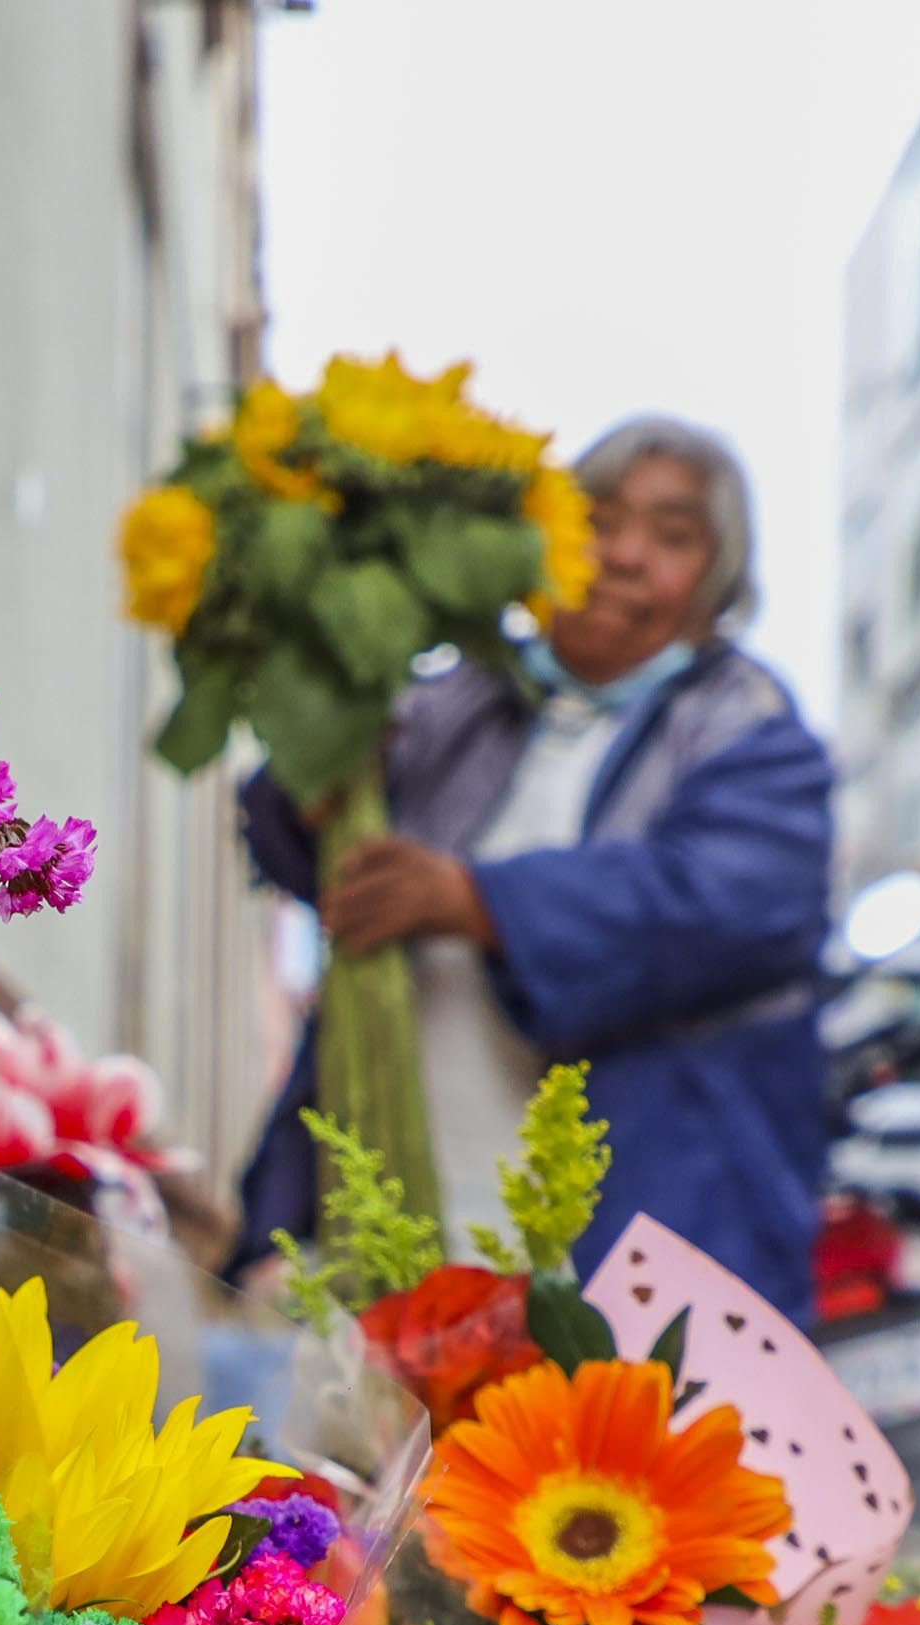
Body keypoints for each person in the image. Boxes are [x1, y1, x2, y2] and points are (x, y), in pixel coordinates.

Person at [233, 414, 837, 1319]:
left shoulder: (752, 732)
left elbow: (725, 902)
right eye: (598, 521)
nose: (624, 556)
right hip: (408, 1211)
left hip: (632, 1242)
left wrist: (474, 901)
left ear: (719, 586)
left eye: (672, 537)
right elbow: (301, 841)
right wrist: (313, 775)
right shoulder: (453, 699)